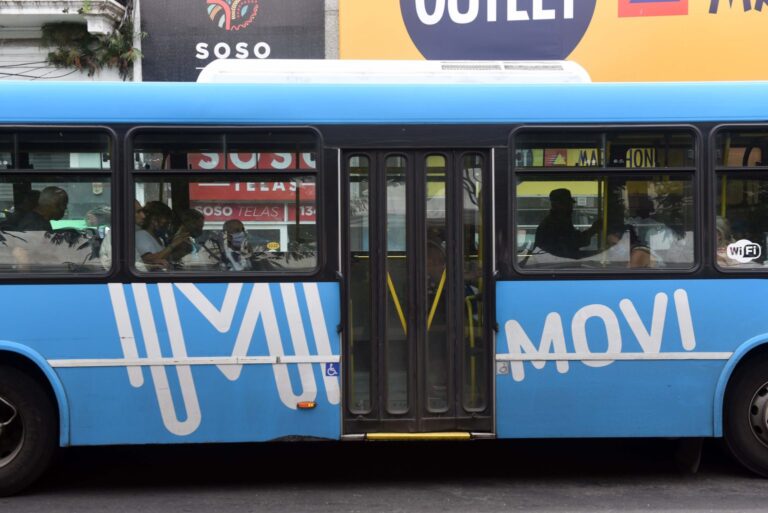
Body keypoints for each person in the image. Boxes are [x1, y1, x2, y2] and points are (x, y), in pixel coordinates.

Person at [534, 188, 600, 259]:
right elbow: (572, 245)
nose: (571, 208)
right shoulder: (553, 224)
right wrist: (593, 230)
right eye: (567, 204)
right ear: (556, 205)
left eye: (570, 204)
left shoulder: (561, 221)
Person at [135, 201, 189, 270]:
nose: (167, 225)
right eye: (165, 221)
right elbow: (149, 260)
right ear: (154, 219)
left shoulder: (159, 239)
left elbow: (164, 258)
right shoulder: (141, 235)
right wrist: (173, 244)